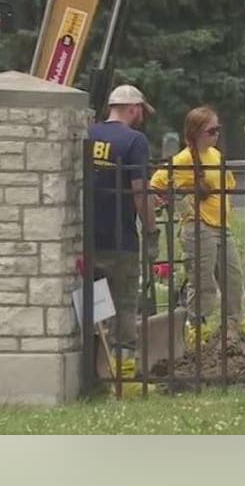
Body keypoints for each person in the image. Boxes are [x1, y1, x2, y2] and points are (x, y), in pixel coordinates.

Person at [150, 106, 245, 349]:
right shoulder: (183, 160)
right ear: (196, 132)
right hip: (199, 226)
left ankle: (233, 327)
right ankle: (197, 328)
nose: (216, 134)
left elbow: (229, 185)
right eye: (211, 131)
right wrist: (181, 202)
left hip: (222, 225)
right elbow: (157, 182)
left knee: (233, 278)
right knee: (203, 282)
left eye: (218, 130)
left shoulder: (215, 155)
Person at [88, 84, 159, 396]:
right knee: (125, 307)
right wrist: (151, 230)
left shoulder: (88, 134)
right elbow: (141, 191)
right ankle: (124, 378)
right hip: (120, 240)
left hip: (88, 238)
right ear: (134, 108)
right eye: (142, 111)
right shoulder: (134, 141)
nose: (142, 117)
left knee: (91, 307)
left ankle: (90, 373)